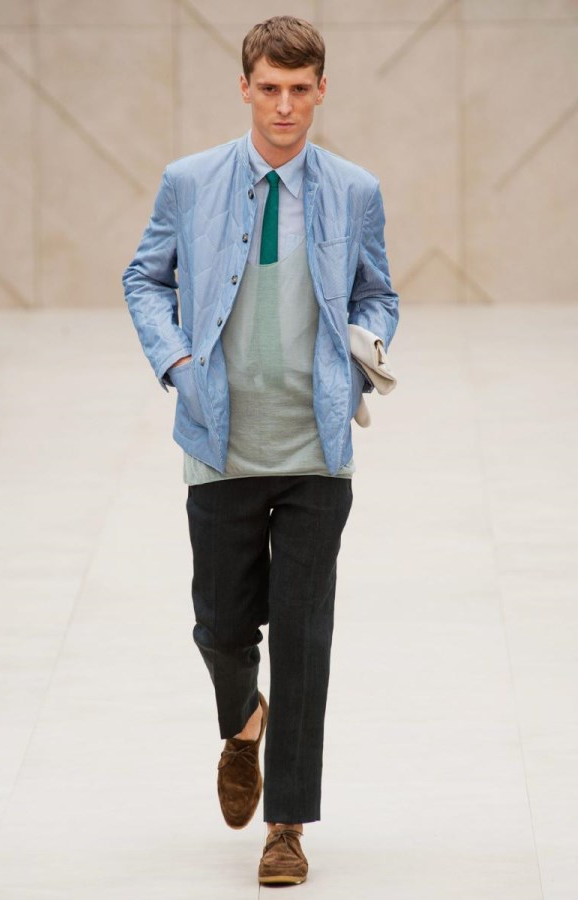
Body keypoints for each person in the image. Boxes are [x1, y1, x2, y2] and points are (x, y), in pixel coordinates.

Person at [122, 14, 399, 887]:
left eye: (299, 89)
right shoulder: (189, 181)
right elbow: (145, 278)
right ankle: (244, 722)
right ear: (244, 88)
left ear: (322, 90)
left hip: (317, 445)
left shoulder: (355, 190)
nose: (284, 105)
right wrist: (176, 362)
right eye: (269, 88)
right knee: (220, 623)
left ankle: (287, 827)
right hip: (220, 439)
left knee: (305, 638)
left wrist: (367, 342)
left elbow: (379, 292)